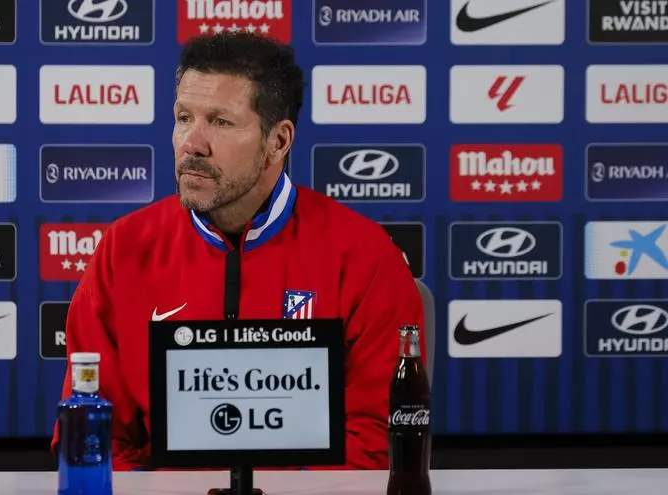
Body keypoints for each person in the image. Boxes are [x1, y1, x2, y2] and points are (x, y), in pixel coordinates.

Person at [51, 31, 425, 471]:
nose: (192, 143)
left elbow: (374, 442)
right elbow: (93, 434)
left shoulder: (364, 255)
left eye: (221, 122)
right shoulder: (125, 248)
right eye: (184, 117)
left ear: (278, 142)